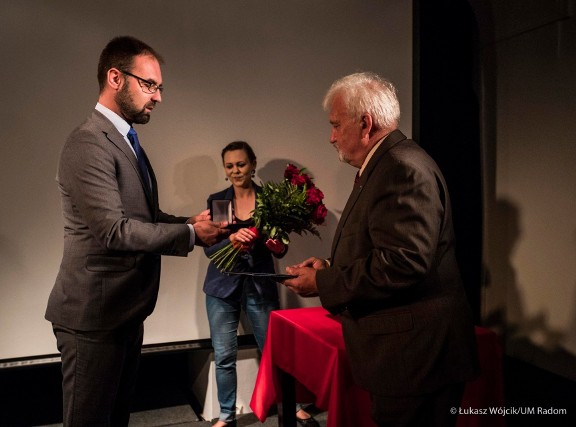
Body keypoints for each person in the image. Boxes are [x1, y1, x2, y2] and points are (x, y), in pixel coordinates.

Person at [45, 36, 227, 427]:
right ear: (115, 77)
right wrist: (193, 237)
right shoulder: (88, 142)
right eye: (149, 85)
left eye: (160, 87)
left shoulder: (126, 140)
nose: (158, 97)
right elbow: (115, 231)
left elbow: (143, 215)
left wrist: (189, 224)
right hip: (94, 319)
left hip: (124, 314)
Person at [282, 72, 479, 427]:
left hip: (413, 360)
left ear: (365, 123)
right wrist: (329, 265)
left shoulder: (401, 168)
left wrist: (323, 283)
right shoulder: (388, 164)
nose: (331, 137)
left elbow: (403, 262)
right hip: (409, 357)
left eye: (336, 125)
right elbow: (386, 244)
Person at [203, 141, 318, 427]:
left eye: (241, 164)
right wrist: (229, 240)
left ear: (253, 164)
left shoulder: (271, 200)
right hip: (221, 287)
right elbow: (209, 248)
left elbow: (281, 250)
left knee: (273, 351)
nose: (235, 170)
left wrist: (275, 244)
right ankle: (227, 416)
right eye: (229, 166)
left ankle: (290, 406)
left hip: (260, 285)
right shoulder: (219, 201)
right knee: (225, 354)